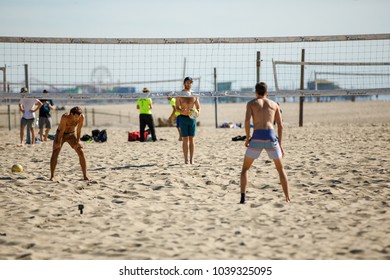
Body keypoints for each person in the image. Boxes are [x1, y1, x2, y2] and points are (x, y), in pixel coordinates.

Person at [239, 82, 290, 204]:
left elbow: (246, 121)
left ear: (256, 92)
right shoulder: (274, 104)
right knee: (280, 168)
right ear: (267, 92)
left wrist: (247, 138)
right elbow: (281, 126)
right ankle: (287, 198)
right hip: (271, 136)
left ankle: (243, 198)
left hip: (256, 137)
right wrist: (280, 145)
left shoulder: (251, 103)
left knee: (245, 169)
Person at [50, 106, 88, 180]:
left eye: (79, 116)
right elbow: (61, 131)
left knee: (81, 151)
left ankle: (85, 176)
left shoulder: (81, 117)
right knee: (55, 152)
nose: (77, 118)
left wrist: (78, 141)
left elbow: (79, 130)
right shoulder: (65, 117)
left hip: (71, 135)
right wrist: (58, 142)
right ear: (71, 114)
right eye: (76, 117)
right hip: (61, 134)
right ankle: (52, 176)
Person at [175, 77, 201, 164]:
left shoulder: (194, 94)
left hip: (192, 118)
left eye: (190, 83)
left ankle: (191, 160)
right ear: (184, 83)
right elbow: (176, 108)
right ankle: (186, 159)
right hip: (183, 118)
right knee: (185, 139)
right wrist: (181, 110)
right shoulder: (180, 94)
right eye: (187, 82)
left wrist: (197, 113)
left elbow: (198, 107)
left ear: (191, 84)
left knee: (192, 139)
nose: (188, 84)